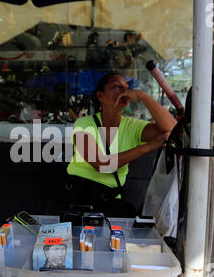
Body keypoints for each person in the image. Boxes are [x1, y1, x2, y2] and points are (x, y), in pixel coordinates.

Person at [65, 72, 177, 217]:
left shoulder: (132, 126)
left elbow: (172, 129)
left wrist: (143, 97)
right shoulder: (83, 124)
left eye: (126, 87)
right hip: (76, 199)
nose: (124, 91)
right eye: (116, 87)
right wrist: (147, 147)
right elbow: (101, 164)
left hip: (108, 202)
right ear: (100, 96)